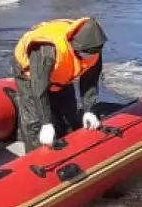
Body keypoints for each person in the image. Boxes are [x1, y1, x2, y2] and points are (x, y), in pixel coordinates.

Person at [11, 16, 108, 152]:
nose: (90, 56)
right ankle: (37, 156)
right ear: (76, 46)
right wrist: (46, 123)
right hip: (31, 73)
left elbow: (90, 81)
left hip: (61, 74)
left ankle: (70, 149)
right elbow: (39, 89)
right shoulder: (47, 50)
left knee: (68, 114)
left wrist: (89, 110)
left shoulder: (93, 45)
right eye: (86, 53)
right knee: (36, 123)